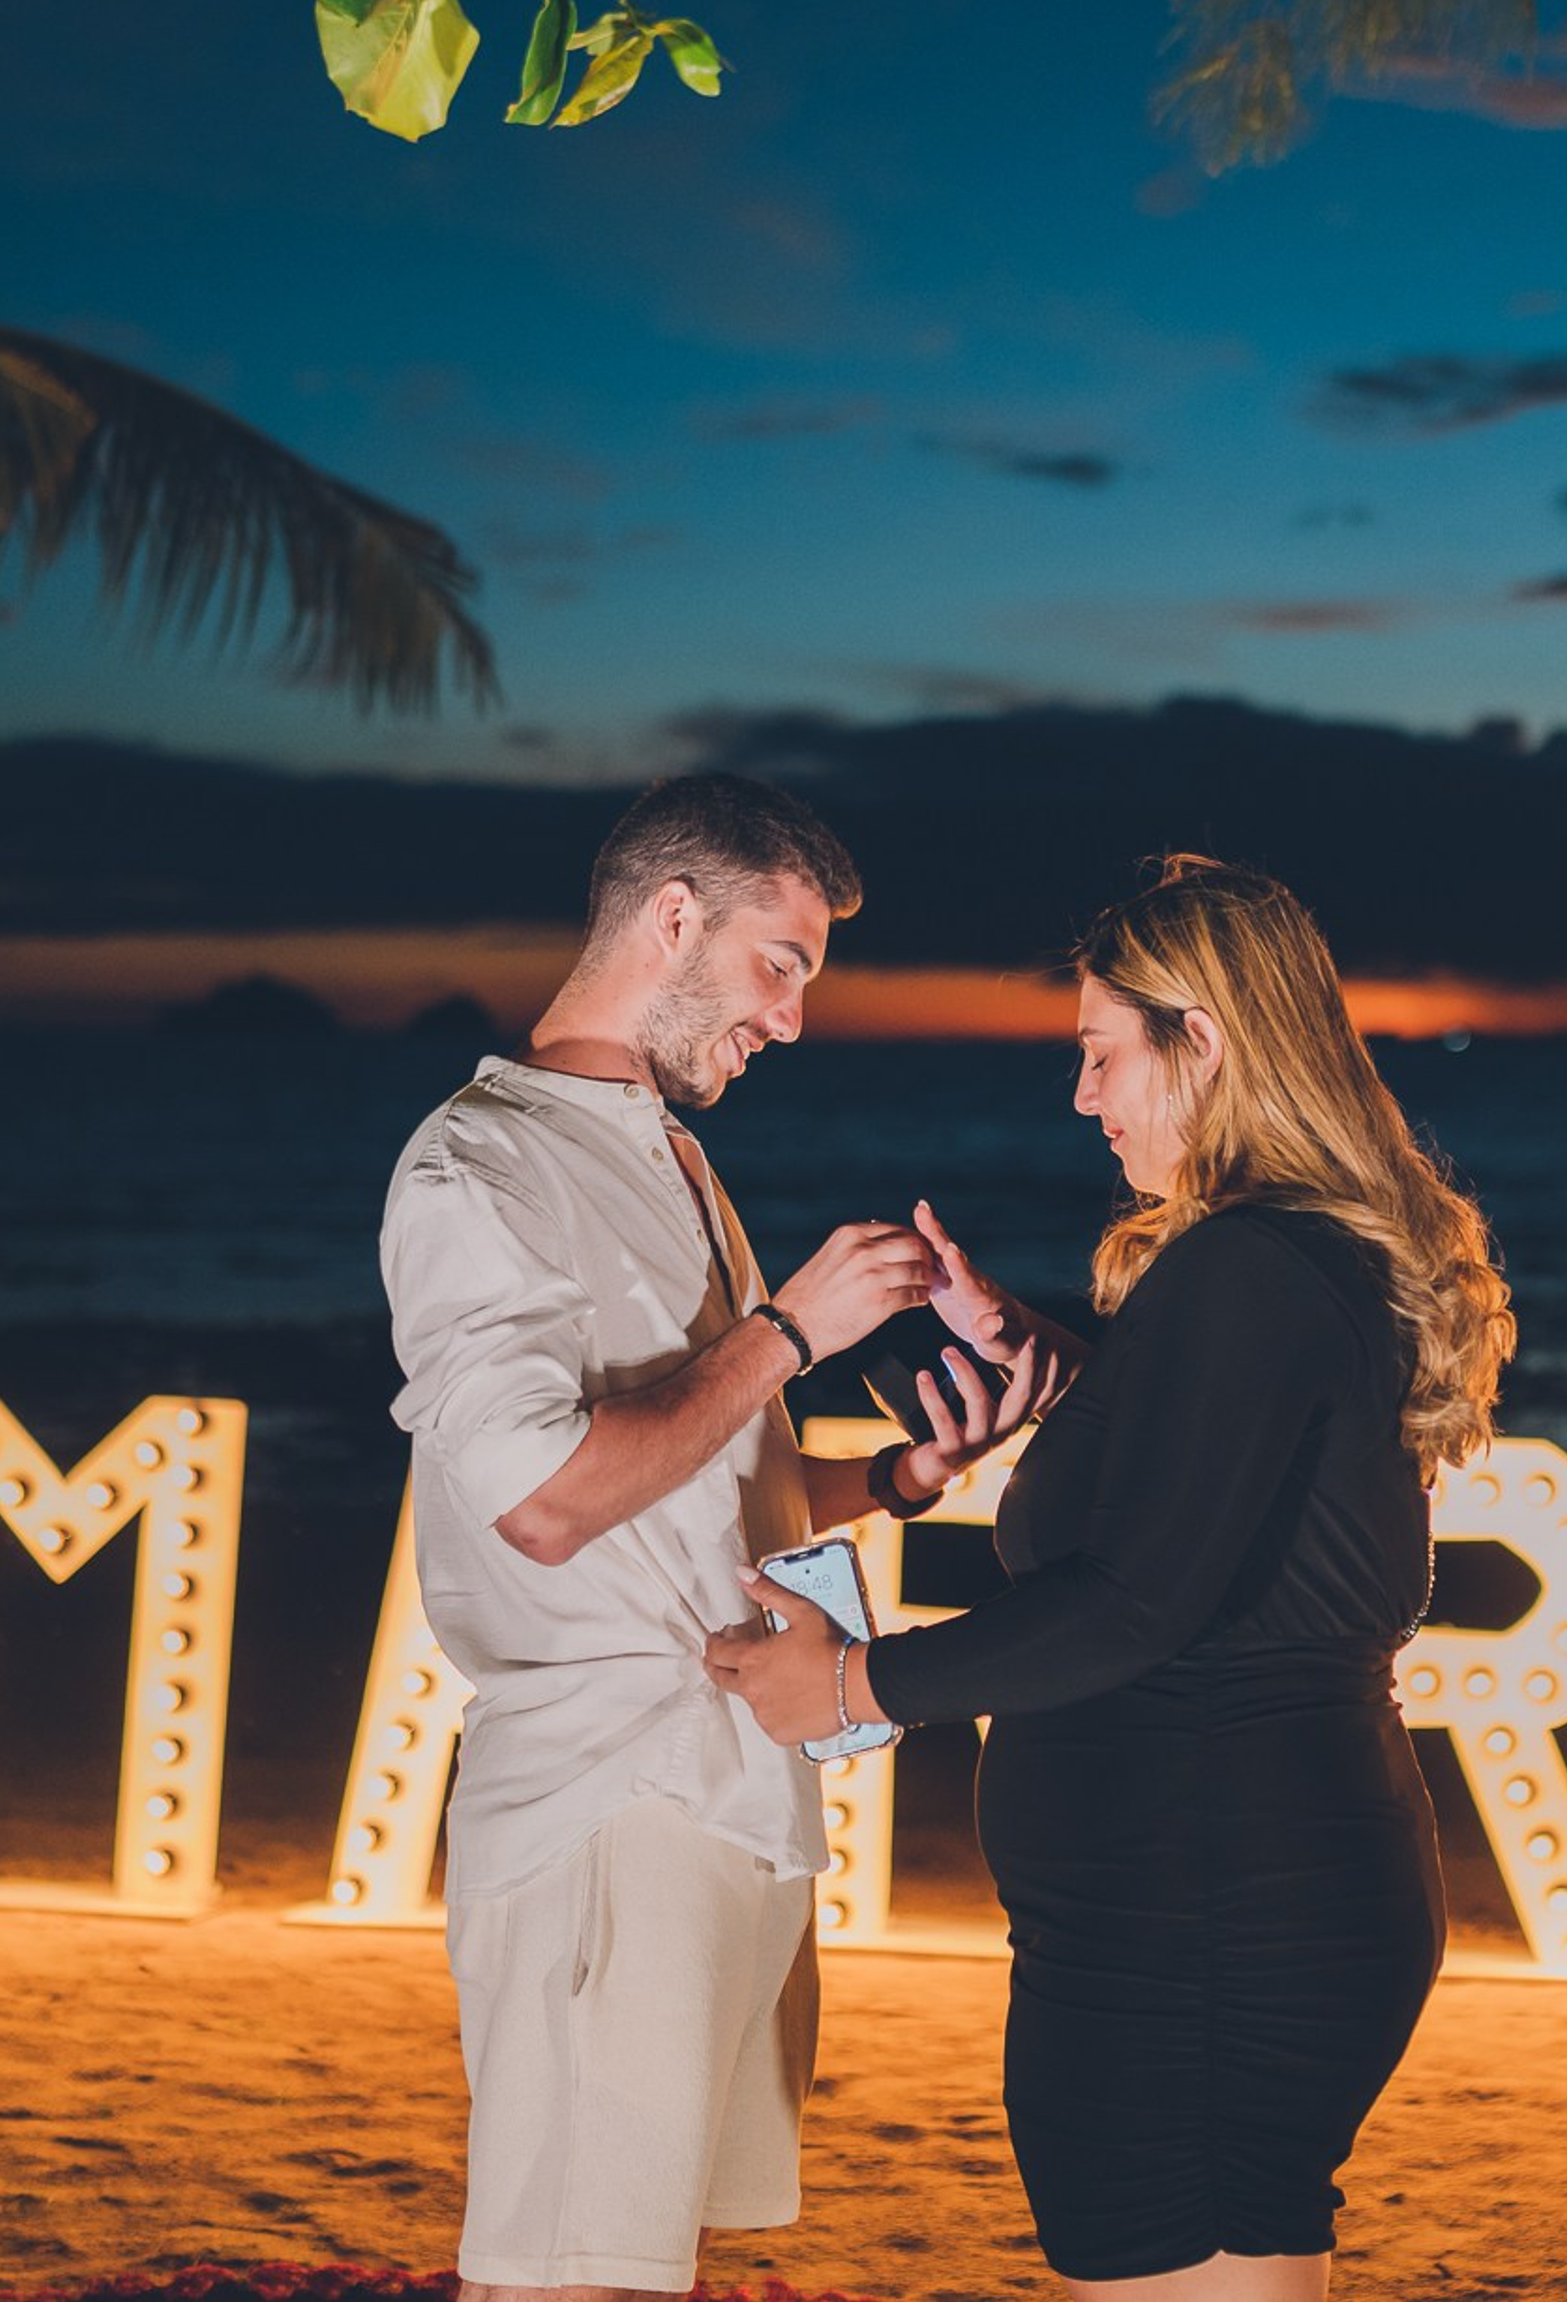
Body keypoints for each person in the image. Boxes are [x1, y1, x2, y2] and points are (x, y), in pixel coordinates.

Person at [705, 855, 1516, 2302]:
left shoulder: (1245, 1268)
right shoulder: (1287, 1260)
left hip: (1198, 1924)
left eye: (1101, 1053)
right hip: (1248, 1896)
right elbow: (1229, 1491)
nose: (1085, 1098)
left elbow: (1141, 1600)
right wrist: (1036, 1355)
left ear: (1199, 1041)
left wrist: (850, 1682)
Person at [380, 772, 1053, 2302]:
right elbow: (545, 1502)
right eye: (782, 965)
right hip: (606, 1801)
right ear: (675, 920)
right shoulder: (477, 1166)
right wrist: (789, 1332)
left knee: (653, 2263)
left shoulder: (669, 1153)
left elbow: (684, 1475)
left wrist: (893, 1480)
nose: (793, 1019)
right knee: (569, 2273)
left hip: (736, 1796)